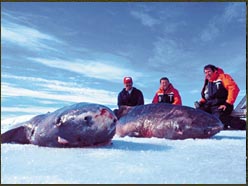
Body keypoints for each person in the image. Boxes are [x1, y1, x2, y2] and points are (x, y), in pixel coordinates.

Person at [194, 64, 246, 130]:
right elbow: (206, 96)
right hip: (209, 106)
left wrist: (228, 103)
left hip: (222, 105)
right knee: (196, 114)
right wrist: (201, 102)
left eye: (209, 71)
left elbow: (233, 88)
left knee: (218, 118)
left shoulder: (223, 77)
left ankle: (243, 124)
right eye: (205, 72)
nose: (207, 74)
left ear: (214, 71)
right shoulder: (207, 82)